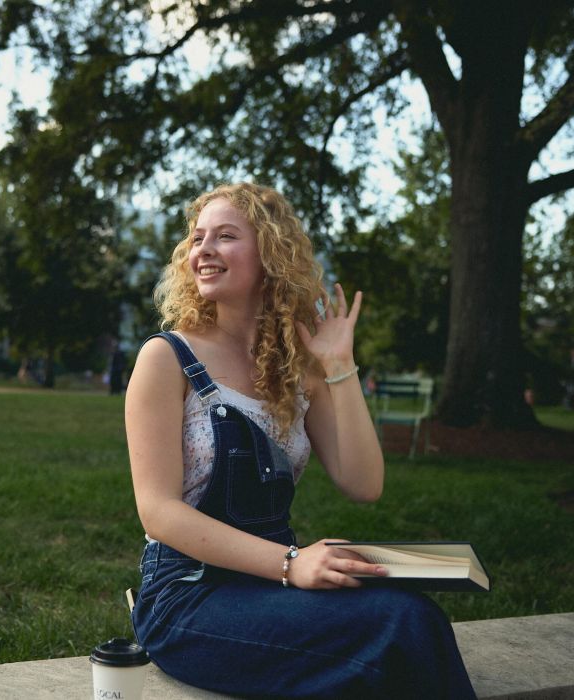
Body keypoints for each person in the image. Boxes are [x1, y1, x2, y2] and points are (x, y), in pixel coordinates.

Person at [125, 183, 476, 699]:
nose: (204, 249)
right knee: (398, 628)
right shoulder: (166, 358)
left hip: (272, 588)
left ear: (270, 254)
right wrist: (291, 564)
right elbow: (158, 512)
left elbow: (364, 483)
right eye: (198, 238)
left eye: (225, 236)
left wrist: (338, 366)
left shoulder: (295, 368)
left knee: (415, 615)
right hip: (188, 596)